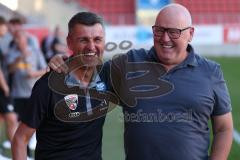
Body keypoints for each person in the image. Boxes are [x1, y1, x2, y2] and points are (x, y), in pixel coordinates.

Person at [49, 3, 233, 160]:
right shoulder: (130, 63)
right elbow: (87, 72)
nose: (165, 38)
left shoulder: (210, 72)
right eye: (159, 30)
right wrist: (65, 60)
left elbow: (224, 129)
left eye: (174, 32)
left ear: (190, 34)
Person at [12, 12, 118, 160]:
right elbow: (20, 139)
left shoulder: (107, 75)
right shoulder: (48, 85)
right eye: (83, 40)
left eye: (97, 39)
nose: (91, 46)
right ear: (69, 43)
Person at [0, 16, 18, 151]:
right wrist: (5, 86)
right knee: (11, 118)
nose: (5, 29)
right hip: (1, 88)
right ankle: (17, 151)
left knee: (11, 119)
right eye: (4, 25)